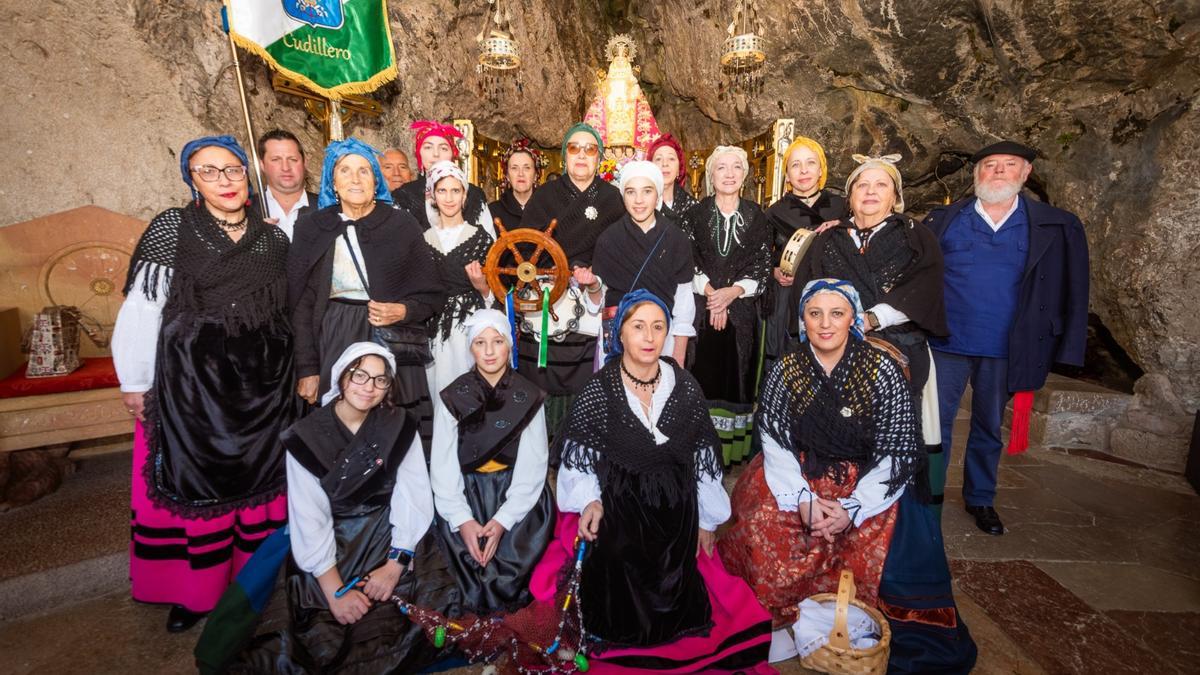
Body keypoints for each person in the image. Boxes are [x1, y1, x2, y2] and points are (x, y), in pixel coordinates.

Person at [722, 279, 976, 673]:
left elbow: (895, 448)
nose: (825, 324)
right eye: (815, 314)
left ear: (853, 319)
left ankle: (841, 617)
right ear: (803, 320)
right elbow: (774, 441)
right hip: (799, 473)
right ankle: (785, 619)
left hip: (866, 479)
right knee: (764, 523)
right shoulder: (786, 368)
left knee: (877, 536)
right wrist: (802, 500)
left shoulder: (882, 370)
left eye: (836, 314)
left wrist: (853, 508)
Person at [530, 290, 772, 672]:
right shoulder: (600, 389)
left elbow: (703, 458)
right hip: (620, 502)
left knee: (676, 570)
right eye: (638, 327)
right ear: (620, 334)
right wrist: (590, 500)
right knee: (617, 554)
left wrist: (707, 520)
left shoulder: (685, 386)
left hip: (676, 507)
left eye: (658, 327)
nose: (649, 337)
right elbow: (580, 457)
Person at [113, 135, 294, 632]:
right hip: (193, 381)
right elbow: (144, 305)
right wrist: (136, 379)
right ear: (192, 180)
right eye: (209, 171)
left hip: (263, 384)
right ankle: (197, 592)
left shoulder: (274, 240)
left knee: (261, 479)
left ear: (247, 175)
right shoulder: (172, 227)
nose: (225, 181)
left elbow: (286, 309)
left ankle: (254, 586)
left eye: (233, 170)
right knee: (198, 479)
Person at [229, 342, 457, 673]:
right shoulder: (305, 437)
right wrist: (335, 590)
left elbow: (413, 494)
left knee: (413, 623)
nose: (369, 387)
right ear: (342, 378)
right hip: (334, 540)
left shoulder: (399, 424)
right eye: (359, 375)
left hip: (389, 531)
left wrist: (396, 563)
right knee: (323, 638)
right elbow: (310, 516)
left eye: (380, 380)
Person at [923, 140, 1089, 535]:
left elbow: (1075, 288)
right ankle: (928, 498)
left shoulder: (1057, 225)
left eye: (1009, 164)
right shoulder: (942, 220)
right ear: (975, 173)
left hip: (1007, 347)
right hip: (946, 342)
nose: (998, 171)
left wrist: (1068, 349)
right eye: (989, 164)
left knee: (988, 426)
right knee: (933, 427)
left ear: (1026, 173)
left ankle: (981, 498)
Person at [289, 138, 445, 451]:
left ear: (376, 180)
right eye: (345, 170)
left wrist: (402, 310)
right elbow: (300, 304)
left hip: (391, 337)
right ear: (332, 181)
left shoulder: (401, 225)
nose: (355, 179)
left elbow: (433, 294)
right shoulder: (311, 227)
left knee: (394, 431)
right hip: (334, 334)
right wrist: (307, 368)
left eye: (364, 171)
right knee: (339, 430)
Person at [430, 310, 555, 613]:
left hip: (517, 496)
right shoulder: (452, 397)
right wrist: (462, 519)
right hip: (466, 495)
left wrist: (503, 521)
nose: (489, 351)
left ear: (510, 346)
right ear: (470, 348)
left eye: (497, 342)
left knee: (511, 572)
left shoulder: (529, 396)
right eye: (480, 343)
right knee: (462, 570)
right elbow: (443, 465)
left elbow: (534, 465)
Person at [515, 123, 624, 431]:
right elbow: (524, 248)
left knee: (586, 384)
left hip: (593, 300)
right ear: (565, 155)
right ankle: (540, 443)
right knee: (541, 383)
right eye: (575, 148)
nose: (582, 155)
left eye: (590, 149)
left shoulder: (612, 199)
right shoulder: (544, 196)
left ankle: (582, 442)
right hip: (546, 301)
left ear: (599, 157)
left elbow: (620, 250)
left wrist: (592, 278)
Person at [685, 145, 771, 465]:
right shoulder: (695, 215)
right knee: (700, 375)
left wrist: (731, 293)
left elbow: (762, 264)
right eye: (721, 167)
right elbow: (688, 260)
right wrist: (713, 296)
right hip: (701, 313)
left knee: (736, 378)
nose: (729, 174)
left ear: (745, 176)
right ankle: (698, 450)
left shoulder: (757, 216)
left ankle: (729, 455)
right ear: (711, 175)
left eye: (736, 167)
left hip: (742, 314)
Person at [591, 160, 695, 365]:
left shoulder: (676, 238)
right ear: (623, 196)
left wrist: (679, 355)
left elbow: (684, 303)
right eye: (631, 192)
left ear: (658, 195)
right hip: (619, 338)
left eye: (647, 191)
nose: (638, 200)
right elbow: (597, 300)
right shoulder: (608, 239)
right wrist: (591, 285)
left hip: (662, 338)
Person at [763, 136, 847, 374]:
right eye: (795, 165)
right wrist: (773, 271)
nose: (803, 170)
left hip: (834, 294)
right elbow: (761, 256)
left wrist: (843, 225)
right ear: (787, 176)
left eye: (810, 163)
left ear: (821, 169)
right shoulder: (774, 212)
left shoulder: (842, 206)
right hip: (790, 299)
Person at [422, 161, 496, 396]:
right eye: (442, 190)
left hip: (470, 328)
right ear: (433, 196)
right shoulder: (422, 241)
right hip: (433, 331)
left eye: (455, 190)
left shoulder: (482, 240)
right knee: (437, 393)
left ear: (464, 196)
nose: (449, 198)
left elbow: (497, 297)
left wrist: (481, 286)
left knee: (470, 395)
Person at [391, 120, 494, 236]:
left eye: (443, 148)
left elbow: (491, 242)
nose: (436, 154)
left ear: (453, 154)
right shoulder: (403, 196)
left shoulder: (474, 195)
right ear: (419, 153)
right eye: (428, 147)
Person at [255, 129, 316, 241]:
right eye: (276, 160)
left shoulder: (327, 207)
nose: (285, 167)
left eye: (293, 159)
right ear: (262, 165)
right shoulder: (246, 211)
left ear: (305, 163)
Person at [488, 138, 542, 231]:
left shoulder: (548, 210)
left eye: (527, 168)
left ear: (536, 175)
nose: (521, 174)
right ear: (507, 176)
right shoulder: (492, 211)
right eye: (514, 168)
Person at [647, 133, 698, 222]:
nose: (665, 164)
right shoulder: (641, 205)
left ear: (679, 169)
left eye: (671, 159)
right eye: (658, 159)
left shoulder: (694, 208)